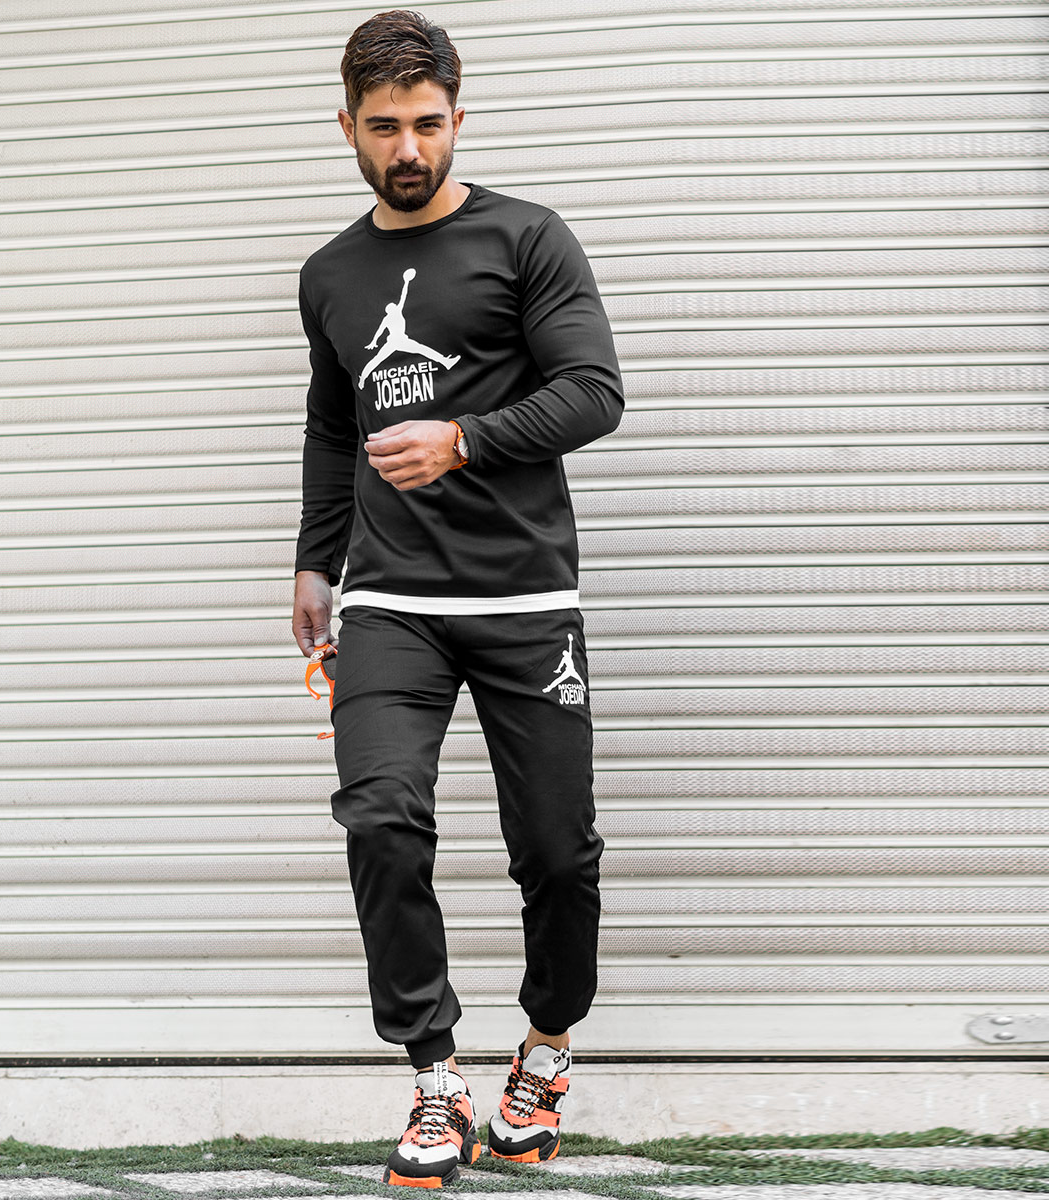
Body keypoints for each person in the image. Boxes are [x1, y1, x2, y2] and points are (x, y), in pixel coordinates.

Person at [290, 8, 624, 1189]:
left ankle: (545, 1050)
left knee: (558, 853)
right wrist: (314, 561)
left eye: (427, 123)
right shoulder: (330, 274)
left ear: (458, 117)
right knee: (379, 817)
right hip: (389, 602)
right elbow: (334, 426)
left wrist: (465, 439)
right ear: (348, 127)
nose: (408, 148)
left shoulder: (527, 238)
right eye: (384, 127)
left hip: (526, 599)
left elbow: (594, 392)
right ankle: (434, 1077)